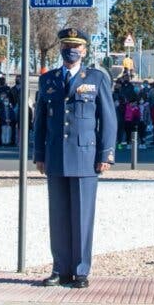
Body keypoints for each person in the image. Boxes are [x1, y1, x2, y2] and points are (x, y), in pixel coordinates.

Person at [34, 28, 115, 289]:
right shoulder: (48, 81)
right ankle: (59, 269)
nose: (71, 49)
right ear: (60, 48)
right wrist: (39, 154)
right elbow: (40, 122)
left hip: (85, 157)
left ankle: (80, 270)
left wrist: (106, 154)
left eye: (76, 46)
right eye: (67, 45)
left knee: (82, 217)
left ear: (85, 50)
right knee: (57, 217)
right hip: (55, 156)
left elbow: (108, 120)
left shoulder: (96, 78)